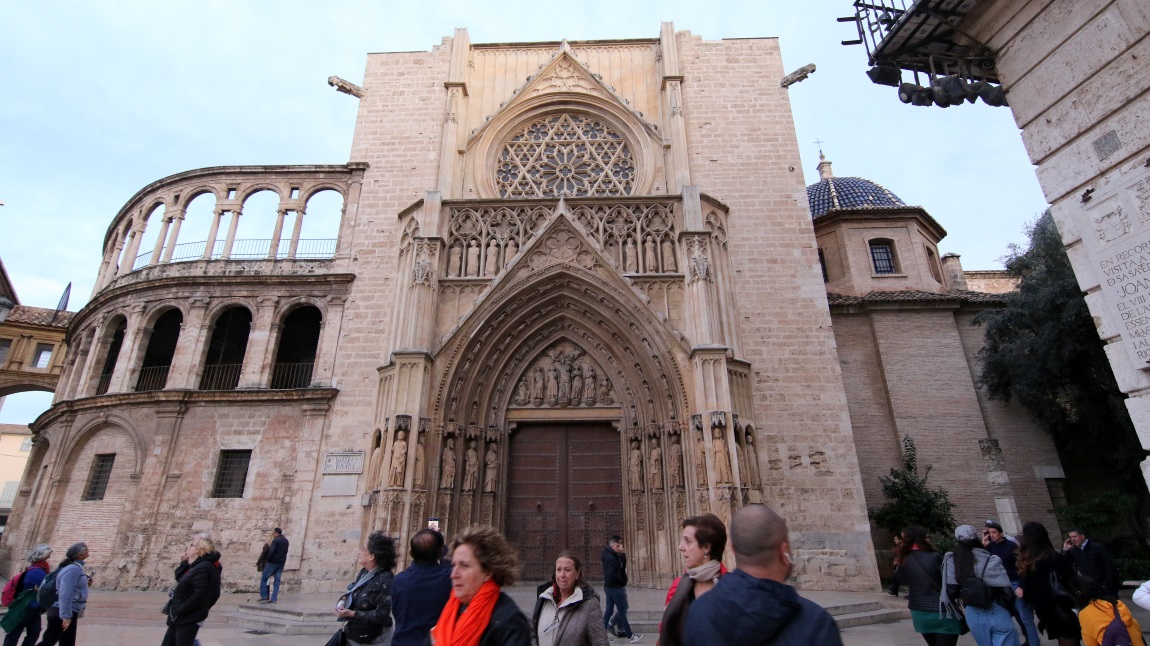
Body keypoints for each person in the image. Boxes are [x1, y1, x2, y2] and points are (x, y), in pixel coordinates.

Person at [681, 504, 842, 646]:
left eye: (687, 541)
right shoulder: (816, 624)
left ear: (734, 549)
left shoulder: (698, 614)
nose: (681, 547)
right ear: (784, 552)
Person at [429, 524, 531, 645]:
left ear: (487, 572)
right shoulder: (450, 612)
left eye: (464, 566)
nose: (453, 574)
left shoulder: (509, 622)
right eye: (453, 565)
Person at [940, 525, 1018, 646]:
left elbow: (951, 591)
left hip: (973, 612)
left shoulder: (952, 560)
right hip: (997, 608)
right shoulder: (992, 559)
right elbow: (1007, 592)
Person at [659, 514, 726, 646]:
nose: (680, 547)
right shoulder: (678, 586)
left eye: (687, 541)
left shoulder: (730, 590)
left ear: (706, 547)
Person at [896, 526, 963, 646]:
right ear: (924, 539)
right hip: (942, 611)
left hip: (919, 612)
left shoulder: (904, 559)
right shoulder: (935, 556)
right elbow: (950, 582)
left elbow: (902, 579)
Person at [1016, 522, 1080, 646]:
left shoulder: (1029, 563)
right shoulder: (1053, 558)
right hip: (1063, 609)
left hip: (1048, 612)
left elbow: (1028, 593)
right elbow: (1073, 580)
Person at [531, 551, 610, 646]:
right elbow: (530, 632)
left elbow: (601, 643)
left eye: (567, 570)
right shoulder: (543, 598)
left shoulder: (589, 605)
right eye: (558, 570)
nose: (562, 575)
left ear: (577, 573)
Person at [336, 531, 397, 646]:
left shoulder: (386, 578)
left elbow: (381, 614)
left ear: (372, 556)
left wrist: (352, 614)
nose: (359, 551)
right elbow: (353, 591)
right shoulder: (364, 572)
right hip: (355, 634)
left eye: (363, 549)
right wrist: (342, 603)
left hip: (376, 638)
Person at [392, 529, 452, 646]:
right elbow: (452, 565)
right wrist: (443, 548)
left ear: (411, 553)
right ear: (439, 553)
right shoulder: (447, 578)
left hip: (402, 641)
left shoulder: (399, 580)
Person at [983, 520, 1038, 646]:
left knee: (1024, 616)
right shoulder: (989, 547)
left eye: (994, 532)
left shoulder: (1011, 546)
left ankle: (1034, 642)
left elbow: (1023, 566)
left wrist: (1020, 585)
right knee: (1011, 616)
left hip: (1014, 583)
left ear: (1001, 533)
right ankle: (1024, 640)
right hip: (1000, 585)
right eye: (990, 533)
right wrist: (984, 545)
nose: (992, 535)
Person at [162, 533, 222, 646]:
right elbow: (182, 579)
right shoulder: (196, 565)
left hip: (188, 616)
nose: (189, 548)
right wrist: (184, 562)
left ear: (199, 549)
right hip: (180, 616)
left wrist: (181, 609)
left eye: (192, 545)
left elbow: (200, 594)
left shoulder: (204, 566)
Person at [38, 542, 90, 646]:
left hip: (68, 611)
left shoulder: (75, 568)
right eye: (87, 550)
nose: (89, 552)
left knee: (67, 642)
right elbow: (65, 592)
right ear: (79, 555)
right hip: (61, 612)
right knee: (49, 642)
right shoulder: (73, 569)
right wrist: (66, 616)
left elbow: (73, 588)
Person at [1, 543, 52, 646]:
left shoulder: (40, 569)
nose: (50, 556)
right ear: (43, 555)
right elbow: (37, 587)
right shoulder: (37, 571)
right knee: (15, 633)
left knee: (34, 631)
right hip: (26, 606)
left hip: (33, 607)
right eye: (49, 554)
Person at [1075, 574, 1144, 646]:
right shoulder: (1117, 604)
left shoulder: (1085, 613)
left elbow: (1090, 643)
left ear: (1078, 593)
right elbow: (1135, 625)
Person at [600, 536, 639, 643]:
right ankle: (630, 635)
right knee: (622, 610)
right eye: (618, 546)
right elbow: (612, 574)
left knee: (609, 611)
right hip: (615, 588)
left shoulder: (612, 555)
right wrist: (621, 581)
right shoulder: (611, 558)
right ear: (612, 546)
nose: (620, 547)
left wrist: (622, 554)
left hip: (610, 587)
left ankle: (603, 635)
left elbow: (622, 567)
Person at [1064, 528, 1119, 597]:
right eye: (1070, 537)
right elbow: (1065, 563)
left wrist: (1106, 584)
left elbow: (1110, 566)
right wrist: (1066, 550)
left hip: (1105, 587)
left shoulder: (1096, 548)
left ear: (1082, 536)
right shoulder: (1074, 551)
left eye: (1074, 537)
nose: (1072, 539)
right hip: (1090, 588)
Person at [259, 527, 289, 604]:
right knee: (277, 581)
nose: (273, 534)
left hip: (273, 563)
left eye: (274, 533)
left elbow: (271, 551)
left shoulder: (275, 540)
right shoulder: (286, 541)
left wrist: (268, 560)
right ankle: (274, 599)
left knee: (264, 578)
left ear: (276, 533)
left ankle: (264, 597)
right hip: (281, 563)